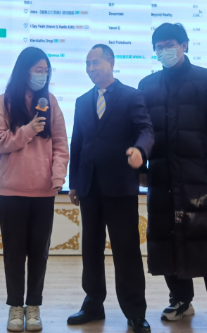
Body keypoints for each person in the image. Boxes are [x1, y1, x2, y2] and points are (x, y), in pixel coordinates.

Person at [138, 23, 207, 333]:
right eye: (158, 47)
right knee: (167, 240)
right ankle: (181, 300)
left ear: (184, 45)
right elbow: (143, 131)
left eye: (169, 44)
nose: (164, 51)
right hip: (162, 178)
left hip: (202, 177)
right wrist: (142, 170)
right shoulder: (147, 84)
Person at [66, 44, 154, 333]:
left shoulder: (131, 95)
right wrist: (74, 183)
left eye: (96, 63)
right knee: (90, 248)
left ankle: (135, 312)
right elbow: (78, 143)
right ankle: (93, 303)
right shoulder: (82, 101)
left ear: (111, 62)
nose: (91, 68)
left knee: (126, 250)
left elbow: (146, 130)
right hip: (89, 186)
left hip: (120, 186)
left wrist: (140, 150)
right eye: (87, 64)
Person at [0, 47, 69, 332]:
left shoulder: (51, 102)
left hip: (44, 190)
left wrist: (57, 176)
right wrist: (29, 129)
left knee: (39, 252)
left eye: (46, 70)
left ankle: (33, 305)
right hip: (11, 190)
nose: (42, 75)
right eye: (38, 70)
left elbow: (61, 144)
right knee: (13, 252)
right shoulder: (5, 101)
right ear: (24, 71)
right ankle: (15, 306)